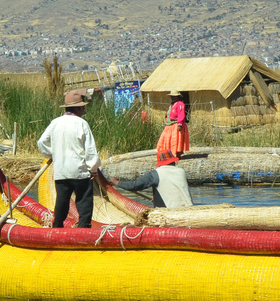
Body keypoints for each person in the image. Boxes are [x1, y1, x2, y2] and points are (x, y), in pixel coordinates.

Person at [37, 90, 101, 228]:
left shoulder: (55, 123)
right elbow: (90, 150)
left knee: (62, 201)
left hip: (61, 172)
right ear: (77, 108)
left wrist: (52, 154)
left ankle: (57, 228)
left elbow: (41, 143)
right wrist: (93, 169)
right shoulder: (81, 123)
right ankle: (83, 229)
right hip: (80, 171)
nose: (84, 109)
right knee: (84, 202)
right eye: (83, 106)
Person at [108, 157, 193, 209]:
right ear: (173, 161)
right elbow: (173, 189)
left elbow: (134, 185)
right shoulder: (181, 171)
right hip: (187, 209)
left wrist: (117, 182)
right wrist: (157, 197)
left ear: (160, 163)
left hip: (169, 213)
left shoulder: (155, 174)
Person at [156, 90, 189, 166]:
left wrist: (180, 124)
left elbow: (181, 114)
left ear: (178, 97)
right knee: (165, 139)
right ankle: (168, 155)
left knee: (176, 140)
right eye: (172, 96)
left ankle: (177, 154)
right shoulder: (172, 104)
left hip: (176, 125)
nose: (173, 98)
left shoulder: (180, 104)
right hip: (169, 125)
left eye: (174, 96)